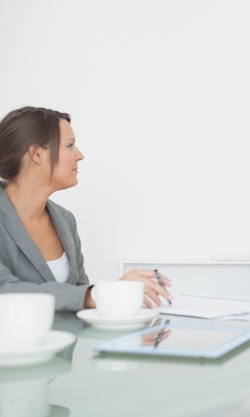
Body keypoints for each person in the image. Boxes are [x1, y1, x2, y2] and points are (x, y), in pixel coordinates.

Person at [0, 106, 173, 311]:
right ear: (37, 154)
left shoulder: (65, 221)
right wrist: (101, 293)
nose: (79, 155)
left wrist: (119, 304)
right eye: (70, 145)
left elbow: (81, 300)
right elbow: (6, 290)